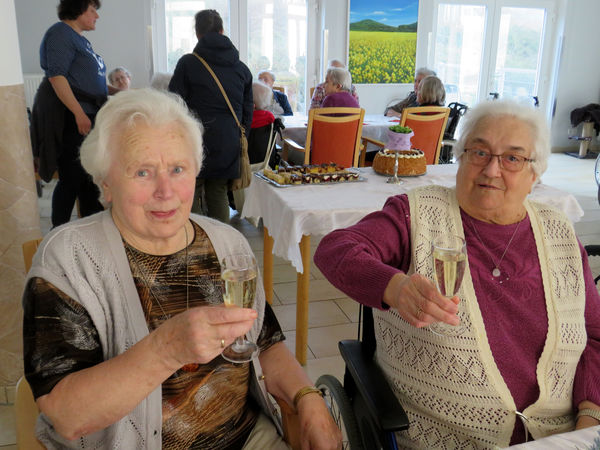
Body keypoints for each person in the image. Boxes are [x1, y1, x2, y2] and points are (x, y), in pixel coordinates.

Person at [23, 88, 341, 450]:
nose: (166, 190)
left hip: (248, 439)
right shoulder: (69, 260)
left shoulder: (228, 245)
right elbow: (66, 415)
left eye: (178, 169)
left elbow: (265, 345)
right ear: (106, 183)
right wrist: (167, 349)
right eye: (142, 171)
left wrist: (306, 396)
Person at [314, 100, 600, 447]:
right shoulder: (415, 214)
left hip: (561, 436)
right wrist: (394, 287)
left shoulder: (558, 232)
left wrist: (588, 422)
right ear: (461, 158)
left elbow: (594, 334)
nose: (491, 170)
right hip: (446, 435)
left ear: (534, 174)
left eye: (512, 158)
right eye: (479, 152)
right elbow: (336, 249)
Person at [31, 0, 113, 227]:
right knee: (72, 177)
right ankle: (59, 232)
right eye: (92, 10)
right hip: (73, 117)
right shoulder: (60, 34)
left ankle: (90, 230)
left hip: (87, 114)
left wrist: (117, 91)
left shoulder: (79, 39)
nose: (97, 15)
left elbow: (85, 81)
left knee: (88, 178)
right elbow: (57, 76)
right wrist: (78, 113)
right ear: (77, 10)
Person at [169, 9, 253, 224]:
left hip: (195, 137)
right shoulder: (241, 68)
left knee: (191, 189)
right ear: (222, 31)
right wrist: (239, 134)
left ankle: (195, 242)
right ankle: (220, 244)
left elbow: (174, 104)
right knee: (218, 192)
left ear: (197, 34)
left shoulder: (187, 63)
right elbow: (247, 109)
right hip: (228, 140)